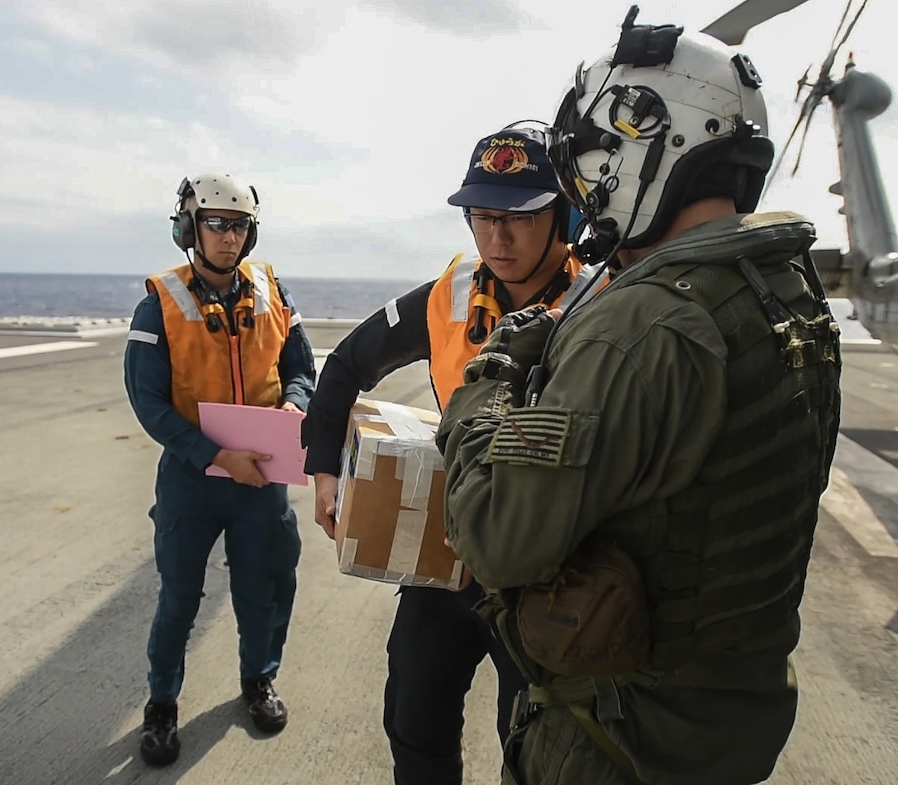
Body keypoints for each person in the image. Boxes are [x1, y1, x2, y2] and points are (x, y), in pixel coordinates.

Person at [436, 10, 842, 785]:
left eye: (588, 164)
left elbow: (494, 538)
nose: (581, 190)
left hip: (620, 736)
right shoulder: (789, 293)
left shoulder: (642, 326)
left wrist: (489, 382)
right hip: (728, 726)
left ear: (647, 146)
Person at [300, 125, 602, 785]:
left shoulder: (604, 305)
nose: (498, 239)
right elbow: (346, 364)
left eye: (521, 218)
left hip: (547, 579)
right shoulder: (451, 294)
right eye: (484, 217)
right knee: (414, 717)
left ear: (566, 216)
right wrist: (325, 468)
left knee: (534, 745)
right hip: (445, 562)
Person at [124, 172, 316, 767]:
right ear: (189, 228)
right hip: (192, 478)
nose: (228, 238)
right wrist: (213, 454)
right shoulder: (159, 303)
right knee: (179, 599)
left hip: (260, 477)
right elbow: (148, 401)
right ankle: (161, 705)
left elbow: (303, 372)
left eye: (238, 227)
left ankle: (258, 680)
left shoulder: (273, 292)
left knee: (266, 590)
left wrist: (294, 406)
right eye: (216, 225)